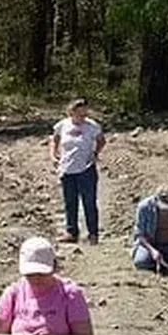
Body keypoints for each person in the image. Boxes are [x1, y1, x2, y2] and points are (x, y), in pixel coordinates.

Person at [50, 99, 106, 245]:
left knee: (89, 201)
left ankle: (93, 233)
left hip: (86, 168)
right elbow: (55, 138)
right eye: (79, 114)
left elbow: (101, 140)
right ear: (71, 112)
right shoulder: (63, 125)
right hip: (67, 168)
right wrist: (53, 153)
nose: (82, 117)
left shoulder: (92, 126)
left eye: (84, 114)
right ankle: (71, 232)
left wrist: (95, 153)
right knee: (70, 201)